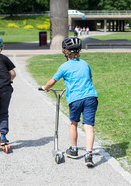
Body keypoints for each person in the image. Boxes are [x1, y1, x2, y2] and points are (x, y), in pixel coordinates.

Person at [41, 37, 98, 167]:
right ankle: (89, 155)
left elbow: (52, 81)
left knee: (73, 123)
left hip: (76, 99)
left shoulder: (64, 66)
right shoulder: (85, 64)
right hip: (91, 97)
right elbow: (90, 80)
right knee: (89, 126)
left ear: (65, 51)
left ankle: (74, 149)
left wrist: (46, 87)